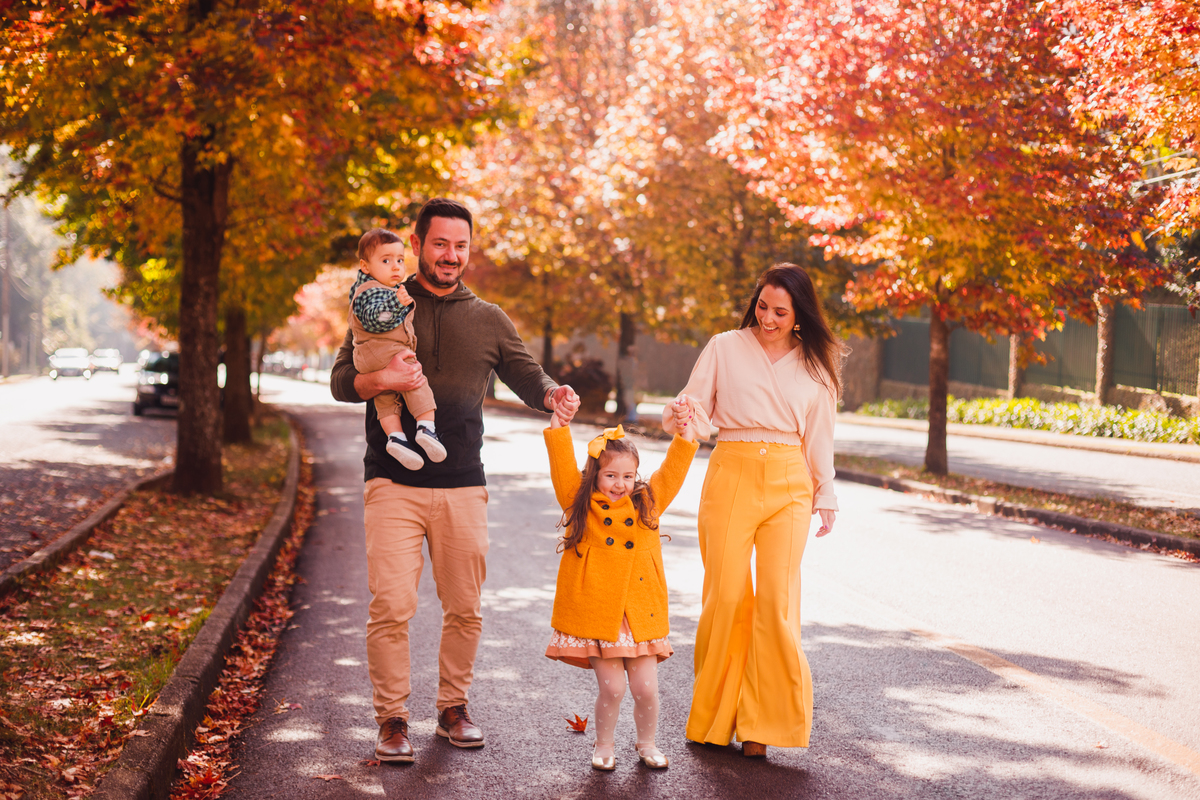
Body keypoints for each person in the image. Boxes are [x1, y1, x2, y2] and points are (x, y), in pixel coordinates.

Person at [330, 197, 581, 763]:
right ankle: (392, 720)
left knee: (464, 606)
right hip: (392, 480)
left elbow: (523, 370)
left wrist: (551, 394)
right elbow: (342, 380)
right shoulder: (378, 302)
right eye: (440, 244)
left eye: (461, 246)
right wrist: (381, 377)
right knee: (391, 606)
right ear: (416, 246)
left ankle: (452, 708)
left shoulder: (488, 317)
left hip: (464, 482)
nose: (451, 255)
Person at [662, 263, 842, 759]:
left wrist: (825, 494)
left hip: (790, 481)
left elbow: (820, 438)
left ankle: (763, 725)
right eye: (762, 306)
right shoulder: (724, 346)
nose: (768, 317)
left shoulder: (816, 364)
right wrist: (683, 414)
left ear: (800, 313)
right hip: (732, 470)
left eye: (781, 311)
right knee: (727, 596)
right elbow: (693, 408)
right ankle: (716, 719)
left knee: (777, 603)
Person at [543, 399, 698, 771]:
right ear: (595, 475)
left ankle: (647, 744)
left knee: (646, 689)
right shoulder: (580, 503)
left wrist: (685, 433)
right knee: (612, 689)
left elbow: (672, 471)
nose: (620, 485)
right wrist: (559, 425)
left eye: (628, 476)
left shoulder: (647, 504)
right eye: (611, 475)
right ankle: (604, 744)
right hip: (601, 612)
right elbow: (563, 466)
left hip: (639, 611)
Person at [348, 228, 445, 470]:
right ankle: (426, 427)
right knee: (413, 380)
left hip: (369, 358)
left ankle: (397, 437)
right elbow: (376, 317)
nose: (396, 267)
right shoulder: (371, 292)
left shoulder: (369, 290)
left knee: (385, 397)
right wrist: (395, 302)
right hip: (385, 351)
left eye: (400, 260)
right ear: (365, 266)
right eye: (386, 260)